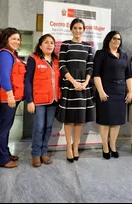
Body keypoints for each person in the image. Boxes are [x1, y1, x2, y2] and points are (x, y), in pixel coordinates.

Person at [56, 18, 95, 162]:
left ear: (83, 30)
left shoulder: (88, 46)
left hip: (83, 86)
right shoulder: (65, 44)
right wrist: (73, 82)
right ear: (71, 29)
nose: (78, 31)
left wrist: (85, 82)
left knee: (79, 118)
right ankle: (68, 147)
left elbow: (90, 66)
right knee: (68, 118)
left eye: (80, 28)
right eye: (75, 28)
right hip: (69, 84)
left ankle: (76, 146)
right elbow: (62, 65)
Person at [93, 31, 132, 159]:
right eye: (114, 38)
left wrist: (130, 91)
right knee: (105, 121)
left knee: (116, 122)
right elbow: (96, 74)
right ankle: (105, 146)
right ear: (109, 39)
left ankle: (113, 146)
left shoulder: (124, 55)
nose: (117, 41)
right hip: (106, 91)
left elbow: (128, 75)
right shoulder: (101, 54)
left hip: (120, 92)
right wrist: (101, 91)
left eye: (119, 39)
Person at [25, 34, 61, 167]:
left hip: (53, 100)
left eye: (52, 42)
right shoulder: (33, 59)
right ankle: (35, 154)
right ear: (40, 45)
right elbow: (27, 80)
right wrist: (29, 101)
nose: (50, 45)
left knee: (48, 127)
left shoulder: (57, 60)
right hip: (38, 101)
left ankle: (44, 152)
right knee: (39, 127)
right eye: (46, 42)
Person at [0, 28, 26, 168]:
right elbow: (5, 77)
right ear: (6, 39)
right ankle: (2, 159)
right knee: (4, 129)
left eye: (18, 39)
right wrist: (10, 95)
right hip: (8, 98)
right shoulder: (5, 55)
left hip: (14, 97)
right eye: (13, 38)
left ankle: (5, 153)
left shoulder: (13, 55)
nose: (16, 42)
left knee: (7, 127)